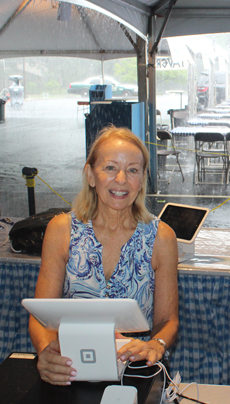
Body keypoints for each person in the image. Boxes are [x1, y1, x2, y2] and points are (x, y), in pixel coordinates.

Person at [28, 126, 179, 386]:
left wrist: (157, 344)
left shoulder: (162, 238)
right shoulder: (61, 231)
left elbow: (168, 320)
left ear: (142, 179)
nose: (121, 179)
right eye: (110, 168)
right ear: (90, 175)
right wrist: (45, 352)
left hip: (135, 372)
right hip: (72, 370)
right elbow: (41, 317)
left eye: (132, 170)